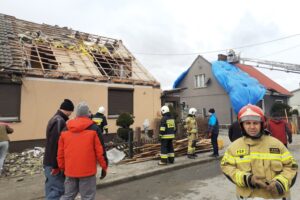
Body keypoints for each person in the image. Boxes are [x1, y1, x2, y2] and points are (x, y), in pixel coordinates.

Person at [221, 104, 298, 200]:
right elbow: (226, 167)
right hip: (248, 196)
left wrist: (279, 183)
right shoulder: (233, 147)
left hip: (276, 196)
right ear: (242, 125)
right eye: (248, 123)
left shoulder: (277, 144)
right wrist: (248, 179)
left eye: (255, 123)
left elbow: (291, 167)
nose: (252, 127)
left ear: (262, 124)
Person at [57, 102, 108, 200]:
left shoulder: (65, 129)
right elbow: (100, 151)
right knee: (87, 197)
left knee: (68, 196)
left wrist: (62, 167)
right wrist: (104, 167)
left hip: (70, 170)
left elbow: (60, 152)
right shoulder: (94, 129)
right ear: (88, 114)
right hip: (87, 172)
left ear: (76, 114)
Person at [43, 99, 74, 200]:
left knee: (50, 188)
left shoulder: (55, 118)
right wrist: (56, 165)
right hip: (53, 163)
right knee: (58, 189)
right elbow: (56, 145)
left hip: (48, 161)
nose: (70, 114)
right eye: (71, 112)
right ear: (68, 110)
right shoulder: (59, 121)